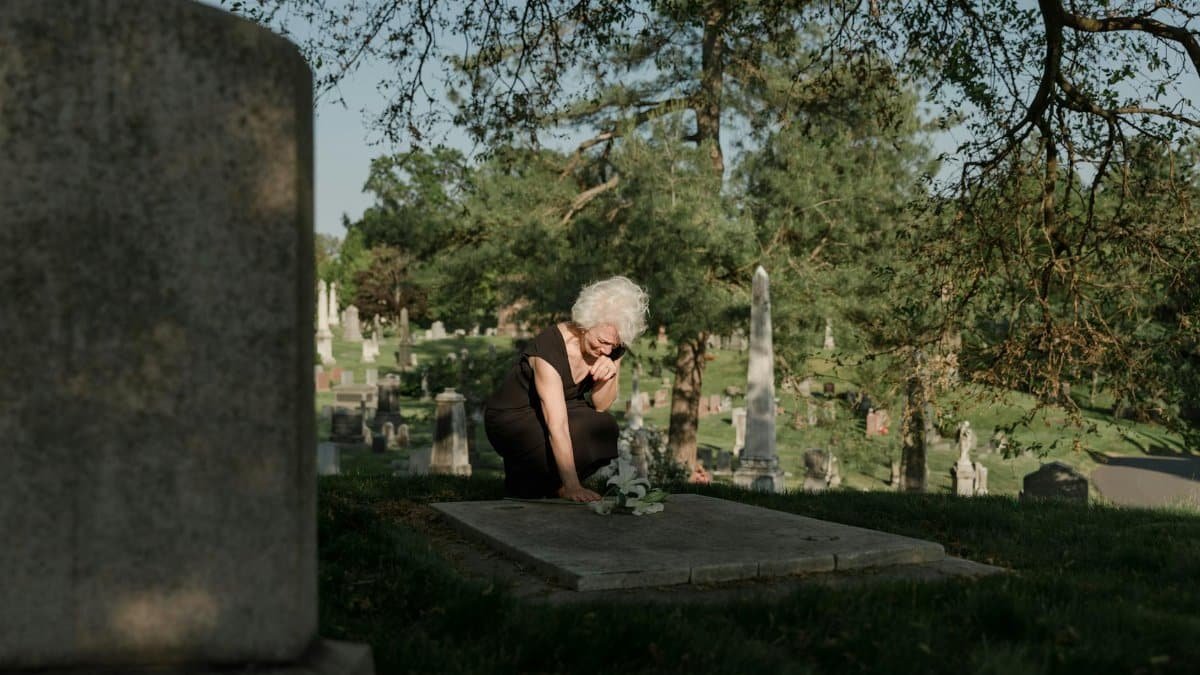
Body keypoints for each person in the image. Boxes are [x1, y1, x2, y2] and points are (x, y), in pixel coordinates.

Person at [484, 276, 649, 502]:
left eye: (614, 344)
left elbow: (601, 405)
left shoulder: (613, 348)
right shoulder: (549, 349)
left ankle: (542, 484)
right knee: (576, 431)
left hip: (563, 408)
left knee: (604, 426)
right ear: (585, 325)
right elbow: (557, 425)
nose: (607, 350)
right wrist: (572, 485)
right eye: (602, 341)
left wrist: (610, 373)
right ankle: (547, 484)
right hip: (513, 416)